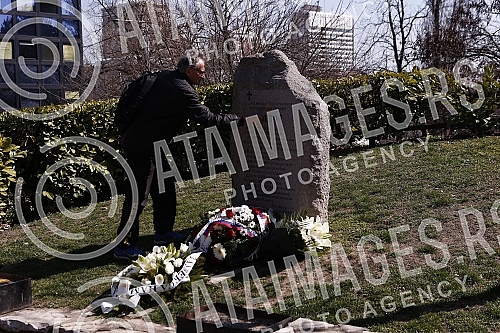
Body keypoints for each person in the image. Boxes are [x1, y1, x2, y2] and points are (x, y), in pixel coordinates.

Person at [113, 56, 244, 261]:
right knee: (138, 195)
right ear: (189, 70)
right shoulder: (181, 89)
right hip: (142, 146)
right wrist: (240, 119)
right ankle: (124, 245)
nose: (203, 75)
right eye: (200, 71)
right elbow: (208, 119)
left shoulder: (168, 77)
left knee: (165, 186)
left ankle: (163, 233)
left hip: (153, 143)